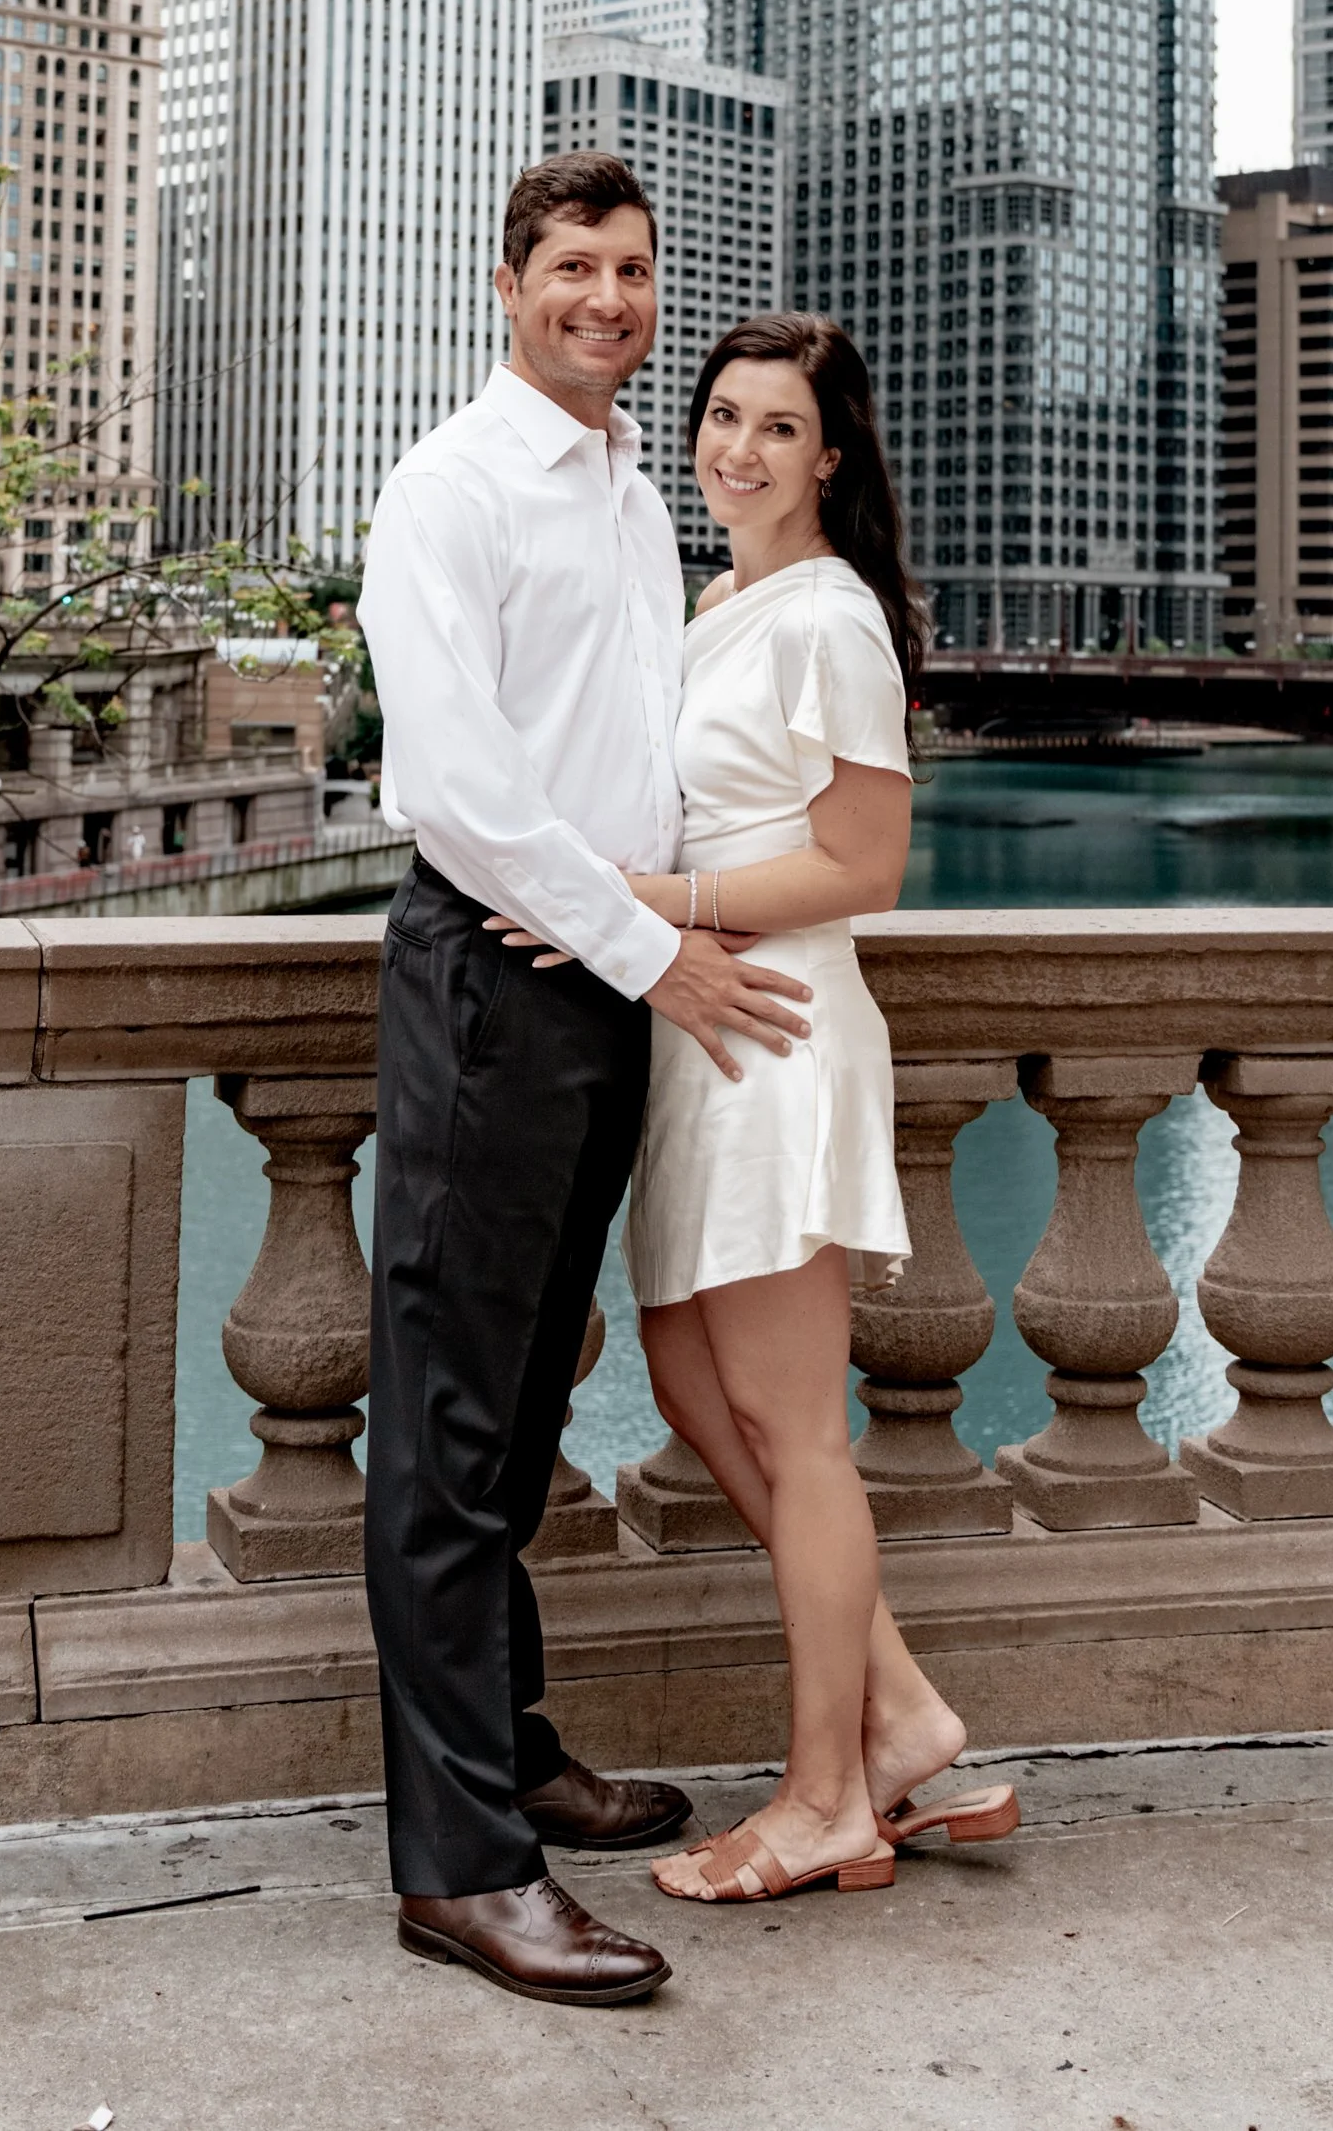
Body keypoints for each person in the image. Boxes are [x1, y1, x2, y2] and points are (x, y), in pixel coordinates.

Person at [356, 155, 816, 2008]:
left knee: (528, 1396)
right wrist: (650, 951)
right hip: (500, 979)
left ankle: (517, 1746)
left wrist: (674, 928)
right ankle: (464, 1867)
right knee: (450, 1427)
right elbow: (459, 788)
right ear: (508, 283)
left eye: (632, 270)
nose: (607, 299)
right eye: (571, 267)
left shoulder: (636, 493)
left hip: (607, 978)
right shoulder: (450, 489)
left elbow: (642, 758)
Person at [495, 314, 1017, 1907]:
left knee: (796, 1432)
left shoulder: (834, 618)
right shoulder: (716, 602)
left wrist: (648, 902)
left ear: (829, 458)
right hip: (696, 1032)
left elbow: (866, 866)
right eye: (723, 415)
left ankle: (827, 1801)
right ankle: (903, 1712)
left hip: (776, 1025)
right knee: (685, 1372)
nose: (740, 447)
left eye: (779, 427)